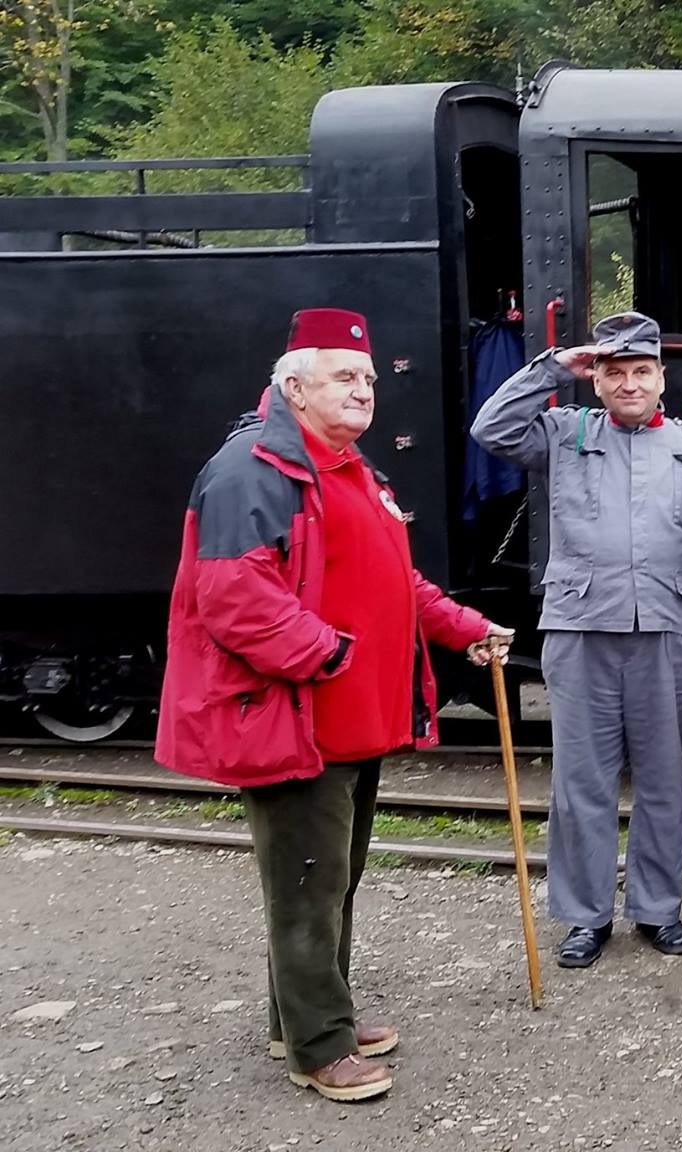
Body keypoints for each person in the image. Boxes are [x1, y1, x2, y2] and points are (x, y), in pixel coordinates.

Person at [156, 308, 509, 1102]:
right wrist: (334, 654)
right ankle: (319, 1048)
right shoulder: (253, 469)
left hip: (352, 722)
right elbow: (233, 596)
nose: (364, 390)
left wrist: (464, 627)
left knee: (330, 881)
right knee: (307, 889)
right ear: (294, 387)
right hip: (301, 721)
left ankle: (312, 1017)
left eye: (369, 378)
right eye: (344, 377)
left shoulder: (347, 467)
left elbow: (393, 579)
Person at [470, 311, 682, 969]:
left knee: (663, 780)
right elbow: (490, 428)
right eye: (615, 373)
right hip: (581, 630)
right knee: (582, 781)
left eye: (641, 371)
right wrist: (553, 368)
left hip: (667, 631)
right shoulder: (564, 433)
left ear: (661, 378)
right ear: (597, 381)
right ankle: (586, 916)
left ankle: (658, 908)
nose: (629, 384)